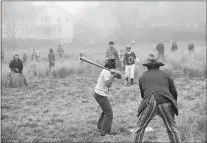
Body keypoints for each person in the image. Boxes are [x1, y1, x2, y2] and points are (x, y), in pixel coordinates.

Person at [133, 54, 181, 143]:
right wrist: (173, 104)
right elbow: (173, 91)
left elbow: (143, 95)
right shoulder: (166, 75)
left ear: (147, 67)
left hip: (150, 100)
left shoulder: (142, 77)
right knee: (172, 129)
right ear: (159, 66)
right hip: (166, 100)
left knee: (139, 130)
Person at [94, 58, 121, 136]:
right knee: (109, 113)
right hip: (100, 94)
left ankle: (100, 126)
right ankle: (104, 132)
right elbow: (108, 84)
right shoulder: (106, 72)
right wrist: (112, 75)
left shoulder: (109, 71)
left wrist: (116, 74)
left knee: (106, 111)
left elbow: (119, 77)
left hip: (100, 93)